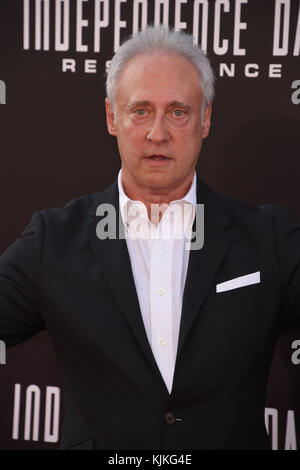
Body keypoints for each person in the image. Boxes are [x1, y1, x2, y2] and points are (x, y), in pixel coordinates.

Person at [0, 26, 300, 451]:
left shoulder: (268, 238)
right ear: (111, 118)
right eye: (140, 110)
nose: (157, 133)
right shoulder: (54, 239)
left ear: (205, 119)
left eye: (178, 111)